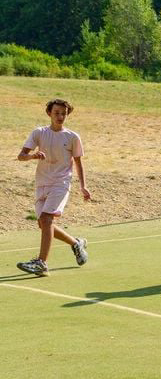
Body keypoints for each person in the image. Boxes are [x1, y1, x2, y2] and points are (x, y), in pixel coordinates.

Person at [16, 98, 91, 276]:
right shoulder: (39, 133)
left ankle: (41, 263)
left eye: (64, 113)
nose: (60, 116)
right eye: (56, 113)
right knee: (43, 223)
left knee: (47, 219)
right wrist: (32, 156)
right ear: (49, 113)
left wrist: (83, 187)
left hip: (61, 183)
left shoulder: (72, 137)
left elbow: (79, 163)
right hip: (42, 183)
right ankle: (76, 243)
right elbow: (21, 156)